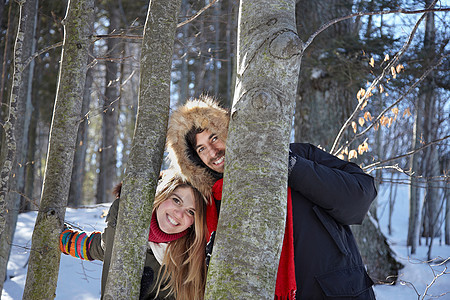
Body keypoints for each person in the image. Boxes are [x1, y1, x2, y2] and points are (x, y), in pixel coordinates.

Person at [165, 96, 378, 299]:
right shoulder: (212, 203)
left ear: (229, 131)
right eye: (201, 148)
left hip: (338, 292)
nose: (212, 152)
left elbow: (359, 198)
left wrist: (289, 167)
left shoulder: (295, 156)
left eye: (214, 137)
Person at [59, 170, 207, 300]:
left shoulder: (186, 260)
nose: (179, 214)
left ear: (194, 222)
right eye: (176, 200)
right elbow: (101, 247)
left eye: (190, 211)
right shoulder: (126, 226)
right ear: (161, 194)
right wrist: (65, 240)